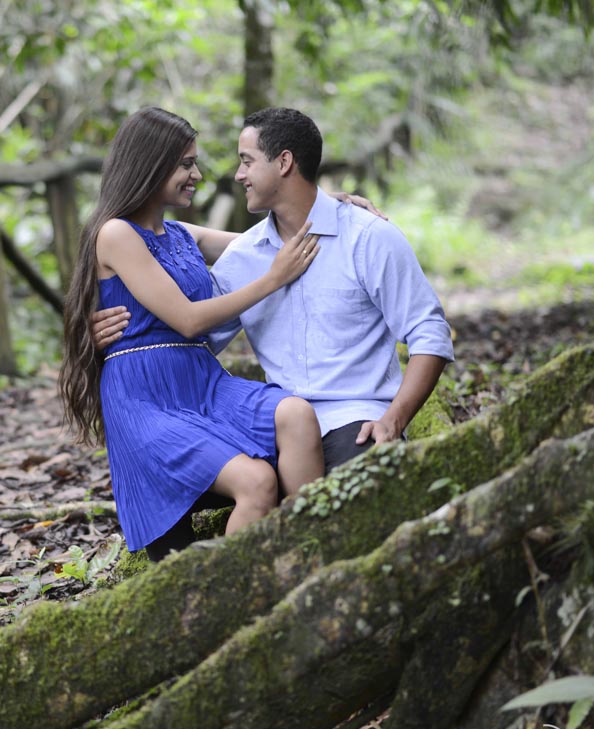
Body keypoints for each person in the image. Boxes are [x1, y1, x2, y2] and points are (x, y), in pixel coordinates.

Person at [93, 106, 454, 481]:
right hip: (275, 425)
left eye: (246, 161)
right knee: (244, 490)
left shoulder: (367, 237)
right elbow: (188, 328)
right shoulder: (244, 257)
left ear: (284, 163)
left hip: (354, 419)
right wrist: (102, 335)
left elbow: (429, 332)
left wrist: (394, 420)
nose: (237, 175)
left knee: (352, 502)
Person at [59, 107, 328, 558]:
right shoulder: (115, 235)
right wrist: (272, 280)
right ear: (150, 163)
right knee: (257, 481)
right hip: (147, 397)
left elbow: (272, 233)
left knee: (297, 414)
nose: (197, 174)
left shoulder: (182, 235)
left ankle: (310, 557)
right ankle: (233, 599)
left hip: (201, 382)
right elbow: (188, 320)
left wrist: (332, 203)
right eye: (185, 163)